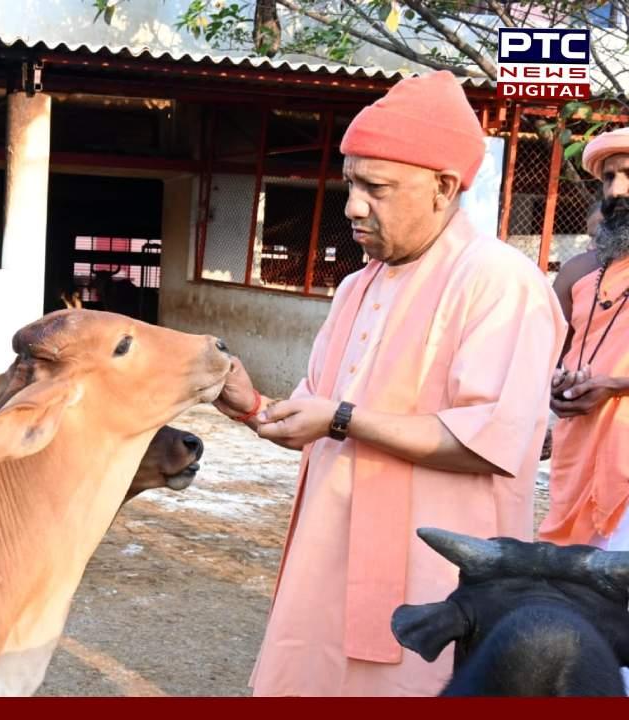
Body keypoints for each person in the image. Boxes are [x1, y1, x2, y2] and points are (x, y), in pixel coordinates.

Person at [210, 70, 566, 696]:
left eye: (375, 186)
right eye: (350, 182)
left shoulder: (499, 280)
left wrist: (339, 418)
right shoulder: (357, 286)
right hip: (327, 565)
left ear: (442, 187)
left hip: (433, 577)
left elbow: (488, 442)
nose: (352, 205)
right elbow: (312, 415)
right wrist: (253, 406)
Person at [539, 127, 629, 550]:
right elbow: (547, 354)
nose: (617, 191)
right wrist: (555, 387)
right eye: (609, 178)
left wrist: (613, 385)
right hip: (577, 450)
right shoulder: (579, 272)